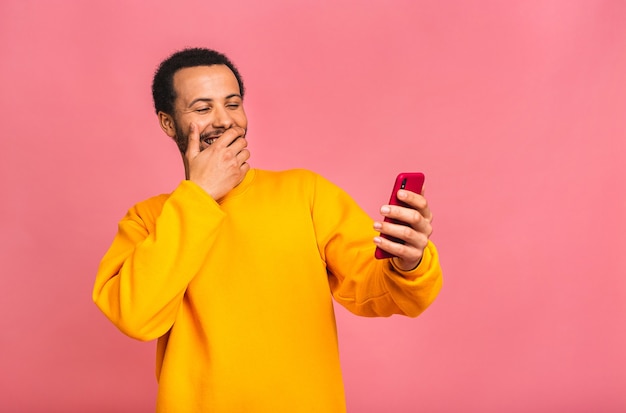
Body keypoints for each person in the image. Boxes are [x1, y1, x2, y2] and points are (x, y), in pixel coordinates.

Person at [93, 47, 443, 413]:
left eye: (232, 103)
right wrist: (198, 197)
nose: (224, 120)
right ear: (168, 123)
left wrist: (408, 261)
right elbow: (135, 316)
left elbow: (381, 290)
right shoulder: (149, 219)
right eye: (202, 108)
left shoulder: (306, 193)